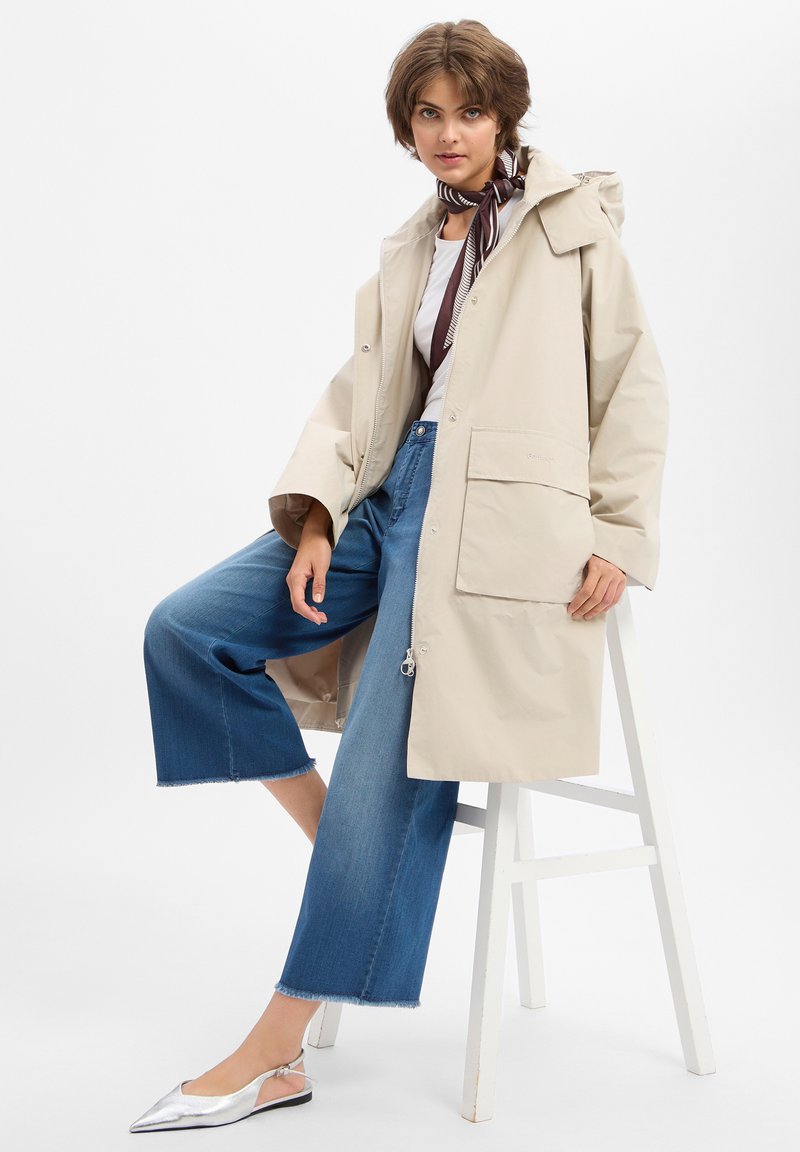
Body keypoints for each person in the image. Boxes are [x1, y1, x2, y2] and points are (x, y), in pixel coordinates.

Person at [129, 18, 668, 1134]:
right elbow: (364, 393)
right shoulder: (414, 241)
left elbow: (632, 385)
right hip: (390, 495)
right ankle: (351, 843)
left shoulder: (570, 228)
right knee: (187, 631)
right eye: (427, 113)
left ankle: (275, 1050)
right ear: (405, 125)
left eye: (469, 111)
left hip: (496, 527)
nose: (447, 133)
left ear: (504, 116)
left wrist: (618, 534)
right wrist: (320, 514)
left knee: (394, 767)